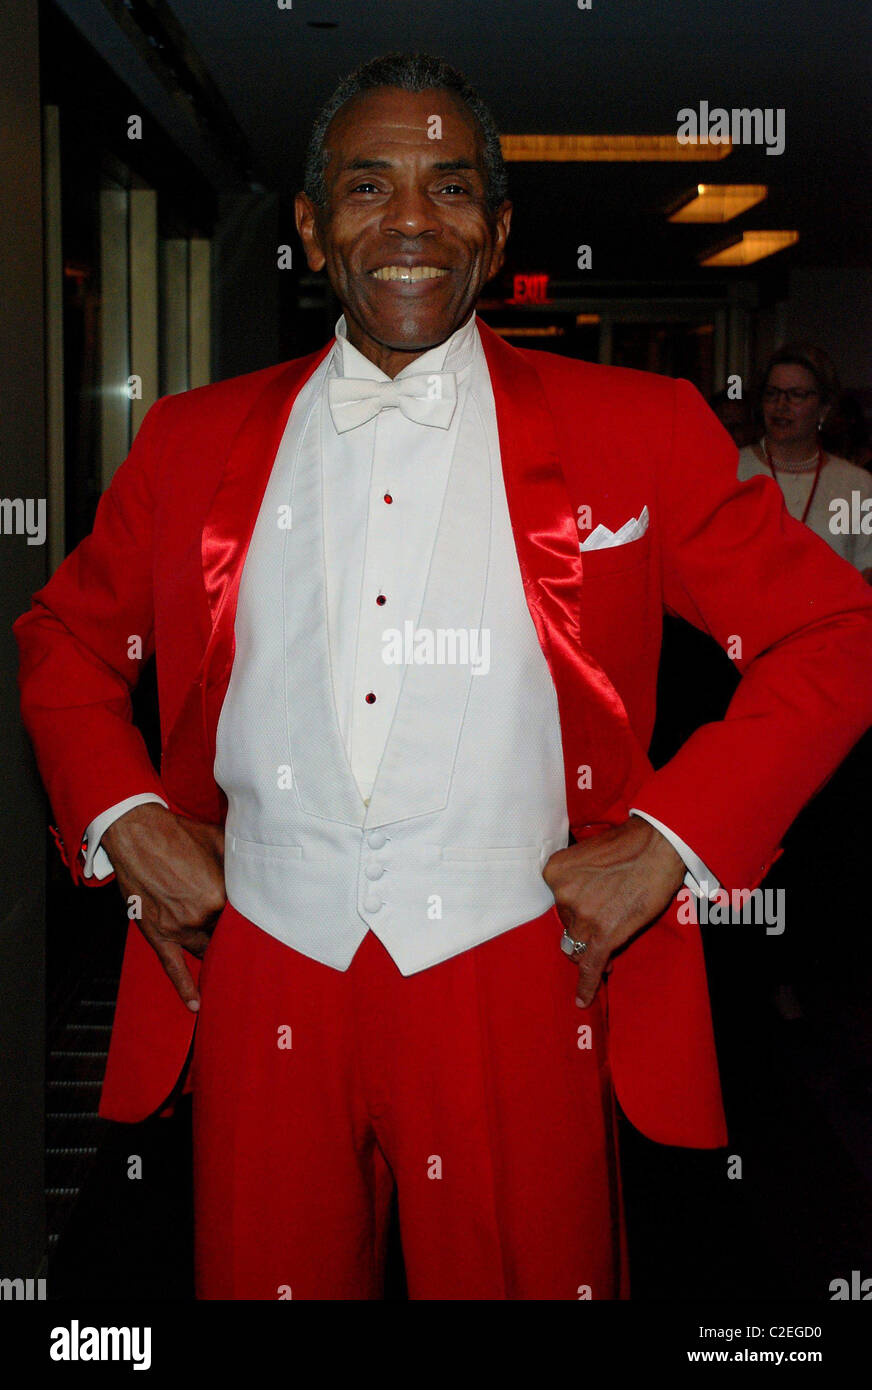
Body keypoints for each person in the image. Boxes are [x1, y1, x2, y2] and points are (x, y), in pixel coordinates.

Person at [14, 53, 872, 1301]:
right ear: (309, 228)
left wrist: (671, 840)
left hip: (520, 966)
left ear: (496, 227)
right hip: (261, 963)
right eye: (367, 187)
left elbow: (834, 630)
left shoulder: (639, 427)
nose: (410, 221)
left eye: (449, 187)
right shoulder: (188, 442)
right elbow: (65, 637)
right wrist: (125, 816)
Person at [738, 342, 872, 578]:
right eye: (772, 393)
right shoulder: (733, 471)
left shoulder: (856, 483)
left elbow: (866, 568)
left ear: (824, 408)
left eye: (796, 395)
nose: (781, 405)